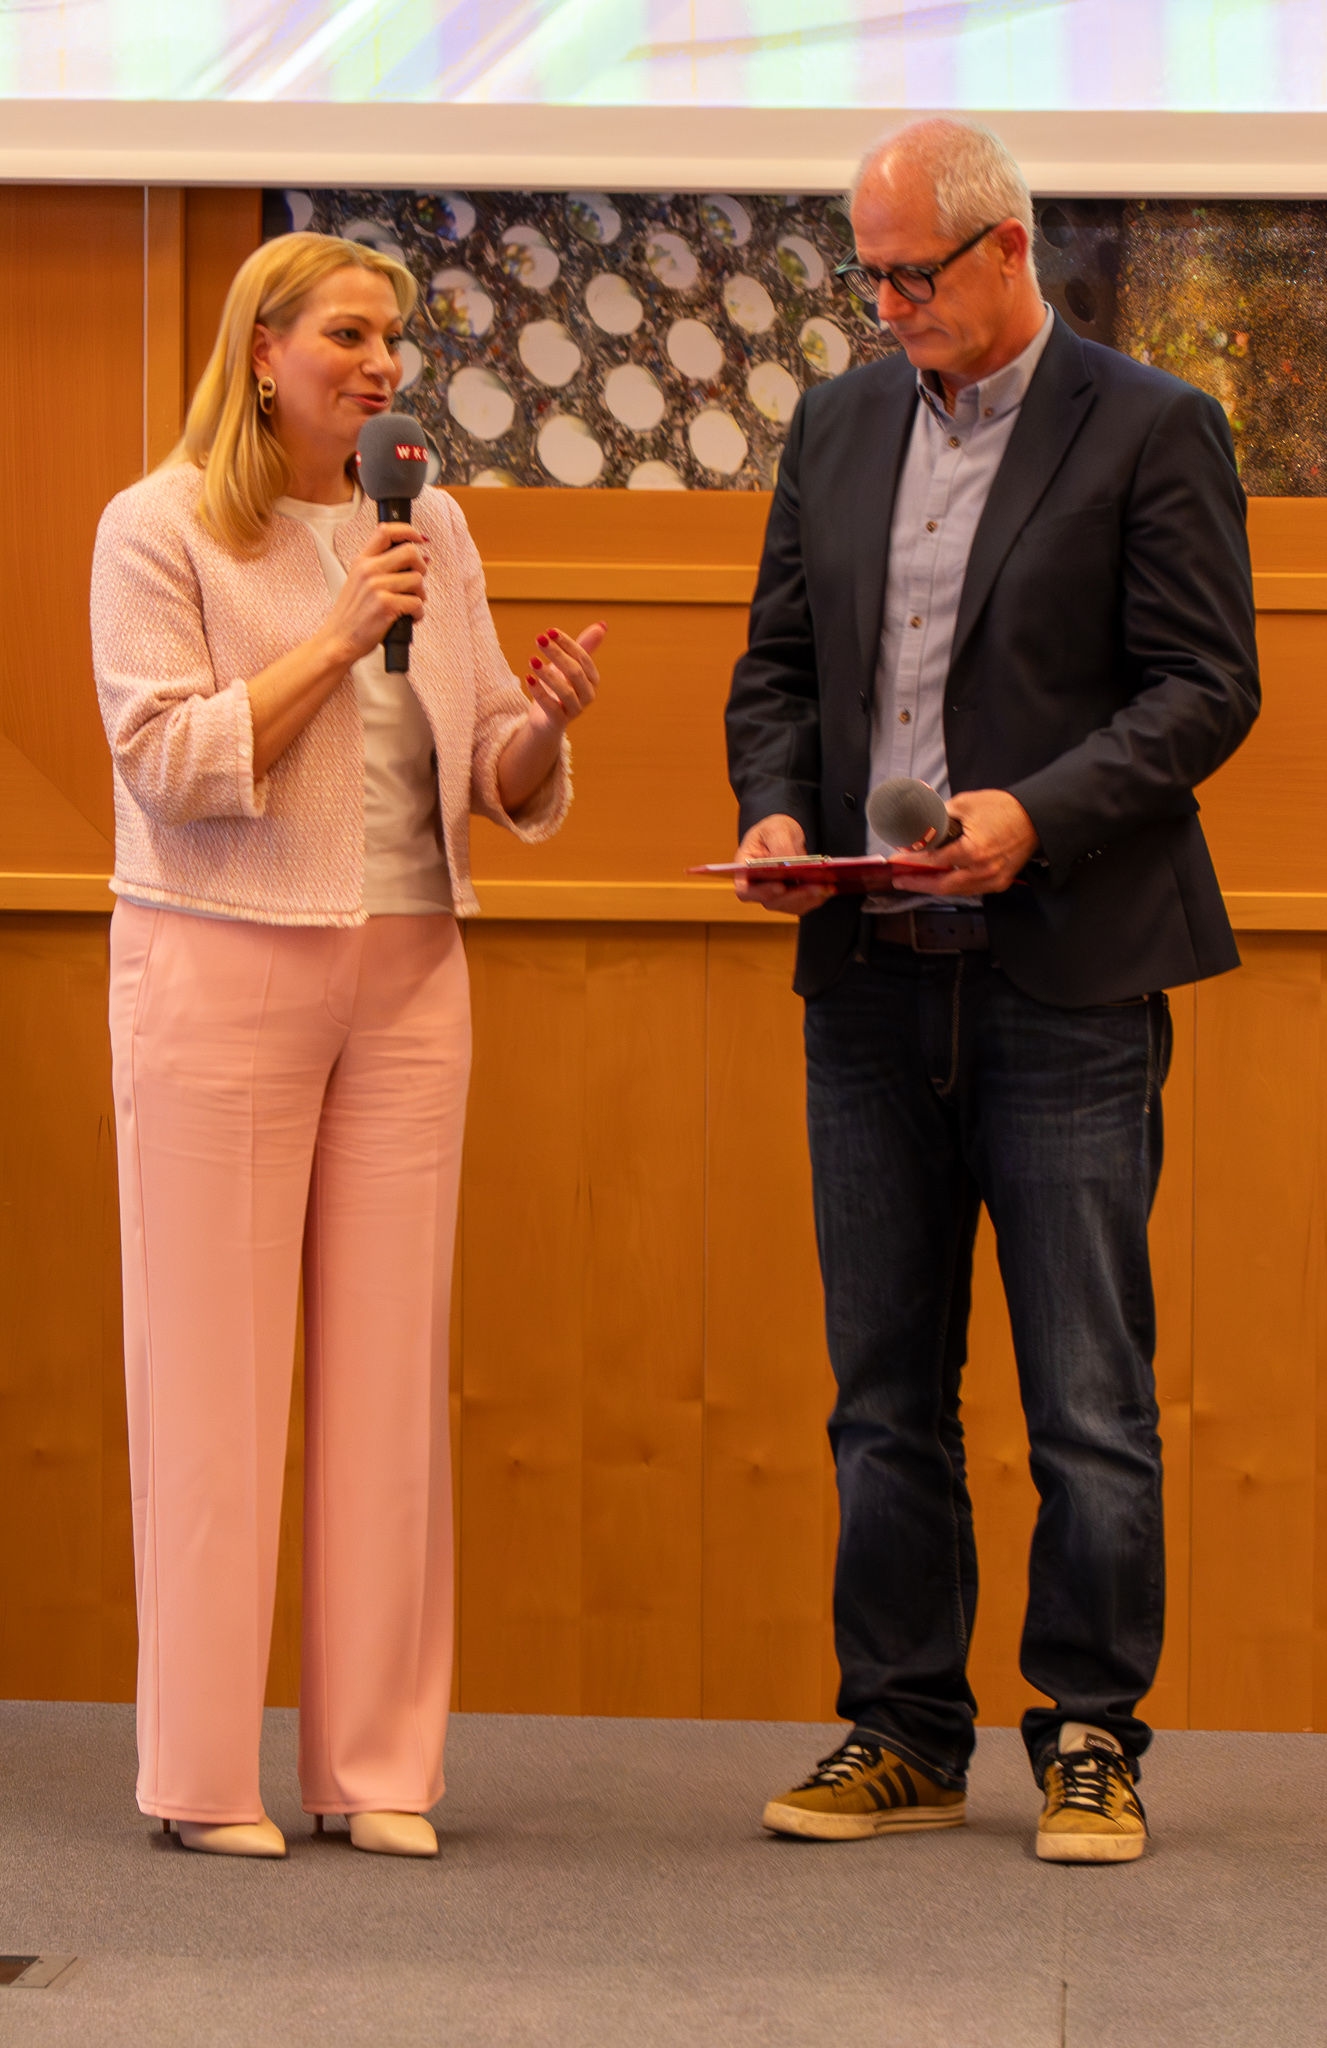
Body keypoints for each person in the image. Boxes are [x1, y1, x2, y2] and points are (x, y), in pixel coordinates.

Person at [725, 118, 1259, 1862]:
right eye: (866, 276)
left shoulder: (1152, 422)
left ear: (1007, 248)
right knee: (881, 1388)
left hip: (1065, 983)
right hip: (867, 979)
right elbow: (778, 667)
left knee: (1085, 1396)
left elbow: (1203, 687)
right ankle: (902, 1732)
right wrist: (777, 810)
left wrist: (1034, 814)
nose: (885, 307)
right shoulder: (833, 423)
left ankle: (1091, 1734)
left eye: (911, 275)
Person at [91, 231, 603, 1858]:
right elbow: (167, 762)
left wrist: (541, 729)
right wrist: (329, 630)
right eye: (350, 336)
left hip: (408, 967)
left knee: (388, 1387)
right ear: (263, 351)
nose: (383, 367)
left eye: (394, 342)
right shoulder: (159, 524)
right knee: (214, 1388)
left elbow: (486, 767)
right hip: (222, 956)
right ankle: (202, 1780)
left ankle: (375, 1768)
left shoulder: (427, 520)